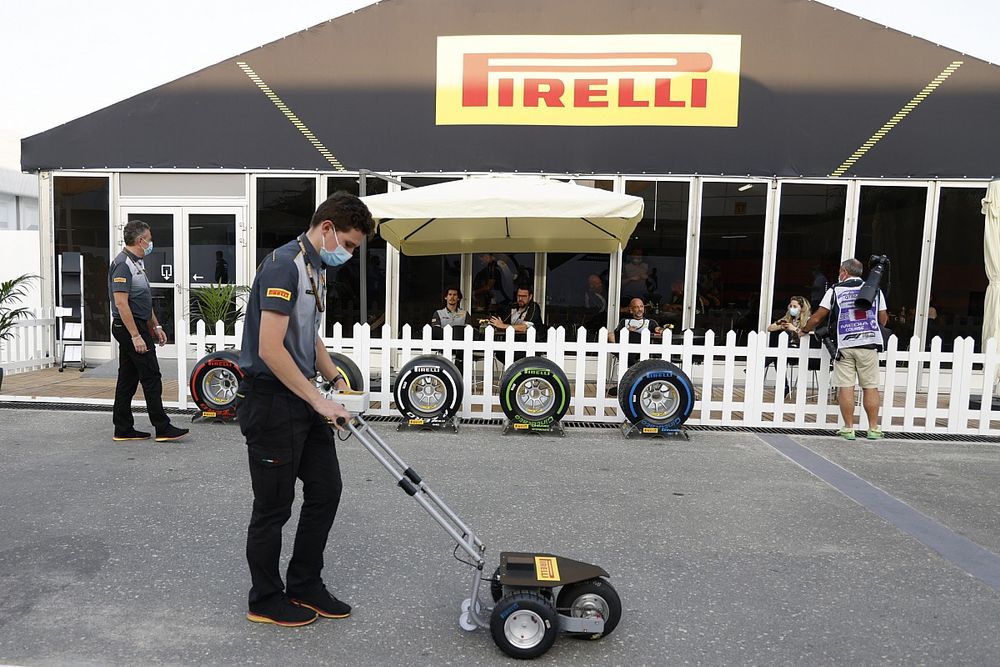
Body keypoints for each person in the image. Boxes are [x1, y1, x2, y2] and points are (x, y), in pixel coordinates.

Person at [236, 191, 373, 627]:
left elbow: (308, 335)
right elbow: (270, 349)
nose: (348, 254)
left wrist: (335, 378)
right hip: (272, 400)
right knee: (273, 507)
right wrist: (318, 399)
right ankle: (265, 598)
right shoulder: (284, 265)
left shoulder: (315, 268)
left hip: (302, 397)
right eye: (349, 245)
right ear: (327, 228)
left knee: (326, 489)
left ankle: (305, 583)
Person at [108, 219, 189, 443]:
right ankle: (162, 427)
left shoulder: (137, 262)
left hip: (139, 325)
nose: (151, 243)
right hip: (129, 327)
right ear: (140, 240)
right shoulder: (123, 264)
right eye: (149, 239)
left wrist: (156, 326)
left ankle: (123, 428)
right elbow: (122, 304)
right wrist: (136, 336)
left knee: (127, 378)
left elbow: (143, 298)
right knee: (151, 376)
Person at [802, 258, 889, 441]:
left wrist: (804, 330)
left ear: (844, 272)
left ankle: (849, 428)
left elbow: (818, 317)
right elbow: (883, 319)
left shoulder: (835, 290)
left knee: (846, 387)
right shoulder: (874, 290)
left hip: (845, 344)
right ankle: (873, 428)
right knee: (870, 387)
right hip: (869, 344)